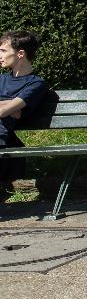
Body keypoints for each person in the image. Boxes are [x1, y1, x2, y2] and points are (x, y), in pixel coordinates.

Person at [0, 30, 47, 189]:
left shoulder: (36, 84)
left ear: (20, 54)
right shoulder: (1, 79)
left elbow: (2, 113)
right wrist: (9, 103)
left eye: (3, 51)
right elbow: (7, 109)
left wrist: (6, 106)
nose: (0, 55)